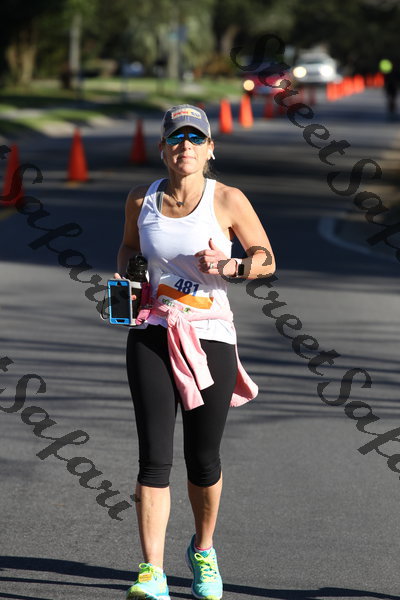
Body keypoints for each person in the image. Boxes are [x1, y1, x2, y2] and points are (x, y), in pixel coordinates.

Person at [115, 104, 276, 600]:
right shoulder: (140, 198)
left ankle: (203, 549)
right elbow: (128, 248)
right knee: (153, 458)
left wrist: (230, 267)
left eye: (195, 138)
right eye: (175, 138)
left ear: (210, 149)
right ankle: (152, 572)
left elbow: (266, 259)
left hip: (210, 337)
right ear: (163, 149)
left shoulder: (227, 199)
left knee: (203, 459)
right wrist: (129, 277)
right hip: (153, 331)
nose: (184, 146)